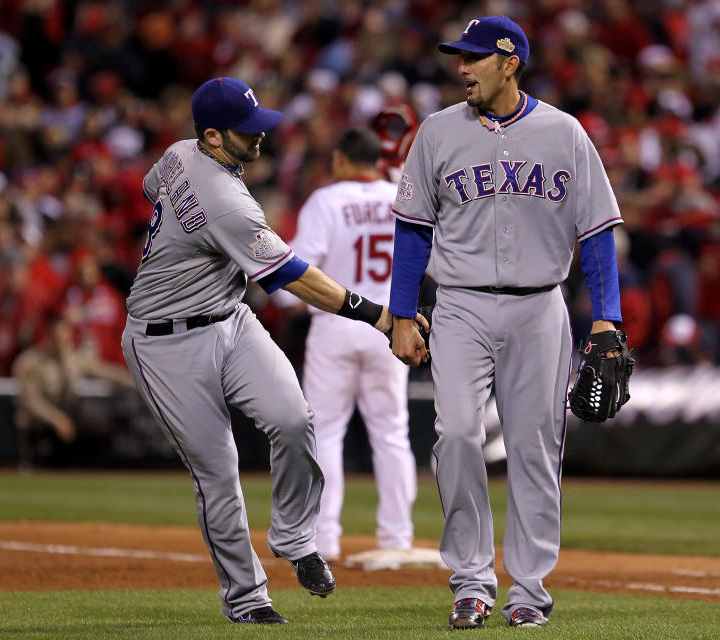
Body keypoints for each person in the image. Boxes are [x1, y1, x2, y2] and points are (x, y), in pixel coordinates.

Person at [120, 77, 426, 626]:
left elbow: (152, 191)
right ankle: (247, 599)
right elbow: (291, 277)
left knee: (295, 419)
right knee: (218, 471)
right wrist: (379, 316)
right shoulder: (226, 201)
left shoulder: (176, 153)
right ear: (212, 136)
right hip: (163, 341)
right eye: (245, 131)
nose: (259, 137)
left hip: (230, 318)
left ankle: (293, 534)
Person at [388, 17, 626, 629]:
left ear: (509, 61)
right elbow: (412, 230)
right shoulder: (437, 132)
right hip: (460, 303)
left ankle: (528, 590)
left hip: (540, 304)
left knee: (533, 448)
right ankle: (470, 580)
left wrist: (608, 320)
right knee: (459, 434)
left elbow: (597, 233)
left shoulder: (565, 133)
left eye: (472, 58)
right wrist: (401, 313)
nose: (461, 68)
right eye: (459, 58)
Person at [280, 127, 417, 561]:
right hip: (391, 325)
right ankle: (397, 538)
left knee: (325, 433)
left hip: (337, 323)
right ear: (377, 159)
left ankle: (324, 541)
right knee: (392, 434)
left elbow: (298, 271)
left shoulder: (326, 199)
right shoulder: (400, 195)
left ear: (340, 159)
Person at [13, 314, 134, 470]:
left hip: (67, 419)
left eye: (66, 339)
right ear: (48, 337)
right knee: (23, 419)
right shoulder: (30, 362)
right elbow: (29, 400)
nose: (62, 344)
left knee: (98, 424)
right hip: (40, 422)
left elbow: (107, 372)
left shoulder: (73, 359)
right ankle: (28, 461)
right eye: (58, 339)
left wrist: (139, 383)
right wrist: (56, 419)